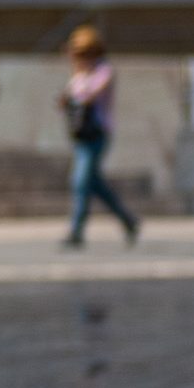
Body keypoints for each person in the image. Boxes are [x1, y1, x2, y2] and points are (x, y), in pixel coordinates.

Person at [56, 25, 138, 249]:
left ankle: (76, 231)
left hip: (98, 133)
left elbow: (90, 96)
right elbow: (69, 100)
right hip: (80, 134)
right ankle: (128, 220)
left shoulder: (104, 70)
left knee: (81, 181)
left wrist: (77, 90)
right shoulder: (78, 74)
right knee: (94, 184)